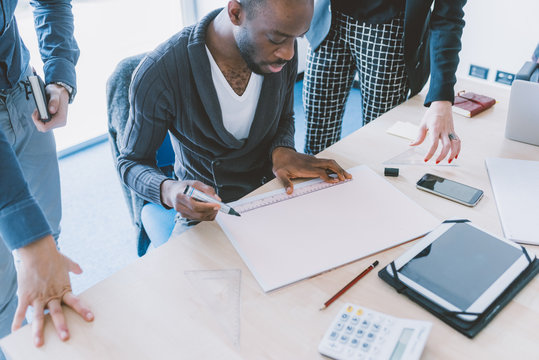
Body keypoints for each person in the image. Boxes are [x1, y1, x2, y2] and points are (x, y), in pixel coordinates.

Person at [117, 0, 351, 242]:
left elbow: (284, 117)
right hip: (207, 213)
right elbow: (131, 162)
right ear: (236, 13)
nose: (290, 53)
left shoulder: (281, 51)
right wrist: (169, 190)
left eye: (298, 38)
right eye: (277, 39)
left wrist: (282, 149)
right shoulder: (160, 71)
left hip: (271, 192)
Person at [0, 0, 82, 355]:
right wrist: (30, 239)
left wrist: (60, 77)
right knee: (5, 280)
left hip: (22, 91)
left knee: (48, 238)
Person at [303, 0, 466, 164]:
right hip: (330, 17)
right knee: (316, 144)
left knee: (376, 149)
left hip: (389, 29)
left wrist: (441, 98)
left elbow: (448, 16)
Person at [0, 129, 93, 352]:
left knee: (50, 246)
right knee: (3, 290)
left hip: (28, 105)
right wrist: (34, 242)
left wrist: (64, 91)